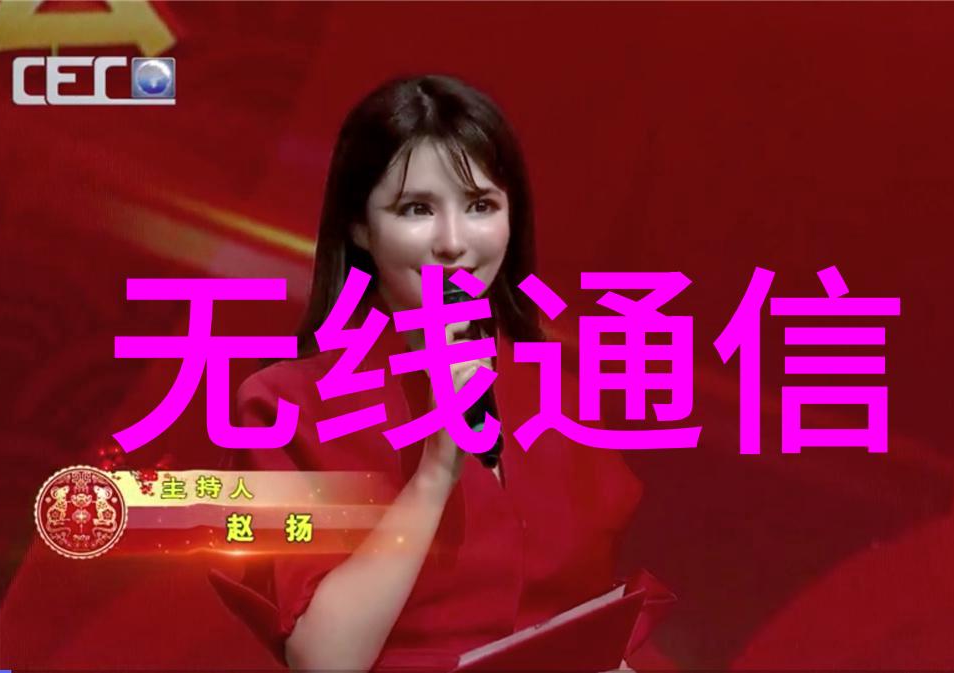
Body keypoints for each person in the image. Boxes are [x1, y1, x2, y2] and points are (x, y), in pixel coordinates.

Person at [213, 74, 665, 672]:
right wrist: (436, 469)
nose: (453, 242)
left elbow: (596, 624)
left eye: (480, 206)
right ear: (359, 226)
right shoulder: (287, 406)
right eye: (417, 209)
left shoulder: (558, 388)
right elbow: (324, 661)